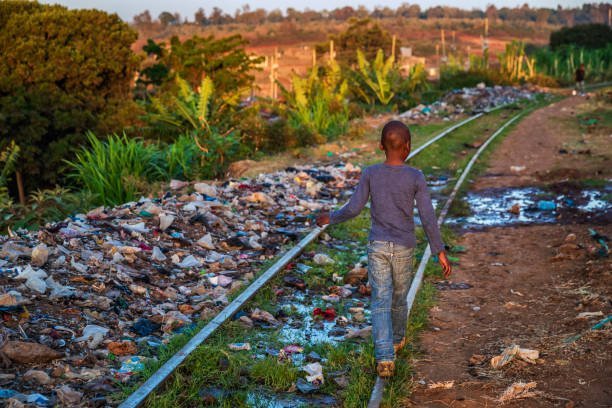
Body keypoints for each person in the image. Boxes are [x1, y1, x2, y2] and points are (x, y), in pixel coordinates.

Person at [316, 120, 452, 378]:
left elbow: (354, 208)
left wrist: (330, 217)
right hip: (404, 247)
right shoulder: (416, 176)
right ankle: (396, 341)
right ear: (408, 147)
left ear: (380, 146)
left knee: (380, 300)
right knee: (399, 298)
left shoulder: (370, 173)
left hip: (377, 245)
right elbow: (427, 215)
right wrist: (439, 250)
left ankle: (385, 358)